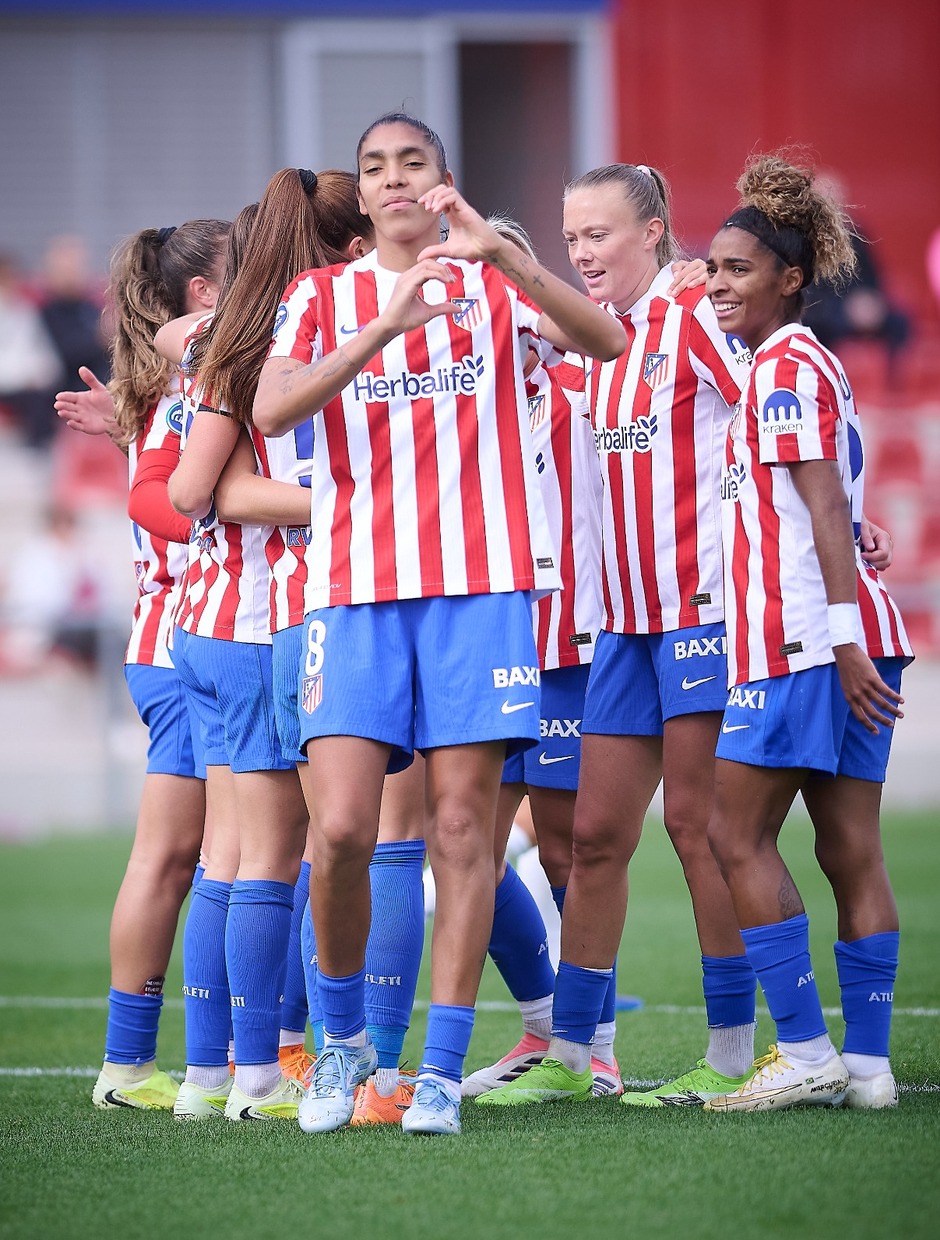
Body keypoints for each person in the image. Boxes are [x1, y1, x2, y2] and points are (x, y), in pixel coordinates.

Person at [251, 112, 625, 1136]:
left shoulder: (493, 281)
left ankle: (443, 1073)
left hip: (482, 592)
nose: (393, 179)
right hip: (353, 592)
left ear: (442, 179)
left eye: (412, 162)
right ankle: (343, 1048)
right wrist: (385, 328)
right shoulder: (319, 297)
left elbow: (608, 339)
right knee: (337, 828)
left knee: (463, 831)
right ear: (362, 194)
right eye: (375, 167)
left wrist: (503, 251)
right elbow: (277, 411)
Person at [475, 162, 759, 1110]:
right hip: (620, 628)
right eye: (573, 238)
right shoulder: (604, 347)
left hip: (702, 612)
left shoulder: (692, 319)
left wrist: (838, 516)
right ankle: (573, 1054)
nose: (583, 253)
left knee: (699, 829)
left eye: (600, 234)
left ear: (656, 232)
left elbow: (774, 420)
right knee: (594, 835)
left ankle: (736, 1050)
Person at [700, 151, 913, 1112]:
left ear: (790, 278)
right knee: (848, 850)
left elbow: (826, 511)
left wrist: (838, 639)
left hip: (804, 642)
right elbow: (841, 506)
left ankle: (805, 1052)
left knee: (729, 832)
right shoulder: (809, 363)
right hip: (845, 632)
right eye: (712, 269)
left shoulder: (781, 366)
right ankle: (868, 1070)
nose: (719, 285)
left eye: (738, 269)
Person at [55, 218, 230, 1110]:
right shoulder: (189, 390)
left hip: (169, 643)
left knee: (185, 857)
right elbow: (171, 499)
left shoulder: (165, 390)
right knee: (194, 858)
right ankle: (173, 1062)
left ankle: (151, 1061)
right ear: (204, 293)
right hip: (190, 642)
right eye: (243, 269)